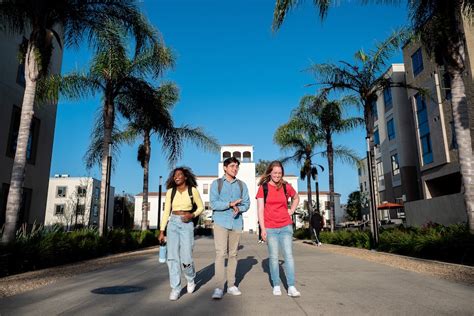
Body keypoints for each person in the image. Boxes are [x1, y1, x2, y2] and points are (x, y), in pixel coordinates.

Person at [158, 167, 204, 301]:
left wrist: (192, 215)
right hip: (172, 223)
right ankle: (176, 288)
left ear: (185, 177)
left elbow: (200, 207)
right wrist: (162, 231)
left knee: (186, 257)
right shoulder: (170, 192)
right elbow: (166, 211)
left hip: (186, 224)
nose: (176, 177)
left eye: (179, 175)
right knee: (172, 258)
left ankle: (190, 279)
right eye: (175, 175)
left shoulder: (192, 190)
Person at [256, 160, 301, 297]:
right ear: (270, 172)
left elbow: (296, 198)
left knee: (288, 256)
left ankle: (291, 286)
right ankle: (276, 284)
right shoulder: (263, 188)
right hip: (270, 228)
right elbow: (260, 209)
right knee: (274, 257)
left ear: (282, 174)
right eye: (275, 172)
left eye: (279, 173)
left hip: (286, 226)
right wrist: (262, 229)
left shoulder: (286, 186)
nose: (277, 175)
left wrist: (291, 211)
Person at [209, 157, 250, 299]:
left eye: (237, 166)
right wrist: (230, 204)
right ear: (225, 168)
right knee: (221, 254)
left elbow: (247, 203)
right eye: (232, 166)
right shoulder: (217, 184)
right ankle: (219, 287)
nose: (235, 168)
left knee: (233, 255)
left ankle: (231, 285)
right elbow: (213, 204)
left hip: (236, 223)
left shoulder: (242, 185)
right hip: (220, 222)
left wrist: (239, 208)